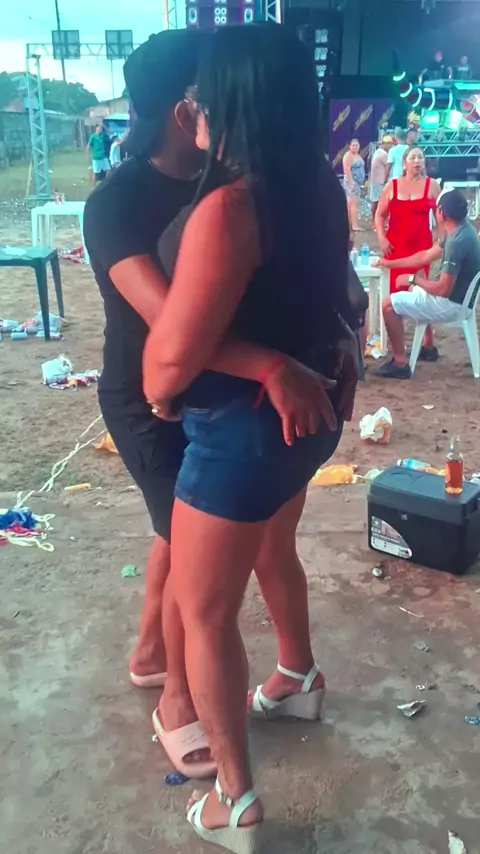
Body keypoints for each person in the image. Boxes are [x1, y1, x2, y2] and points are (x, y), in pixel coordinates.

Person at [84, 29, 355, 784]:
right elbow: (168, 322)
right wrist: (277, 363)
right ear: (178, 109)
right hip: (220, 404)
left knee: (209, 587)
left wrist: (331, 340)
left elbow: (176, 350)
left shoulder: (236, 193)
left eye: (208, 91)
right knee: (192, 548)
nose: (198, 106)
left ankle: (224, 741)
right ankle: (186, 687)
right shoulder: (124, 201)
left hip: (235, 415)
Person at [376, 189, 480, 378]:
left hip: (452, 305)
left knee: (388, 305)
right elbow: (425, 256)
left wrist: (413, 279)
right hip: (462, 301)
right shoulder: (464, 230)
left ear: (441, 213)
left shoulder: (456, 243)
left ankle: (400, 362)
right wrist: (390, 264)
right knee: (412, 289)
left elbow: (443, 289)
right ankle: (428, 347)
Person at [369, 135, 393, 226]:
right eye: (390, 144)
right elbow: (389, 167)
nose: (390, 146)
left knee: (376, 201)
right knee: (377, 202)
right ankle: (375, 221)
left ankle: (375, 221)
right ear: (385, 144)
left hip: (376, 181)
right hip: (380, 182)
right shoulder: (383, 154)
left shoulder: (378, 152)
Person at [342, 138, 365, 231]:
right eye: (353, 145)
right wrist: (352, 183)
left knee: (351, 204)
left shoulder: (357, 155)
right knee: (353, 204)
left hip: (357, 183)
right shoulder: (348, 156)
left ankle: (347, 223)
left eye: (357, 145)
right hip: (351, 182)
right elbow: (347, 170)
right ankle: (354, 225)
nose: (355, 147)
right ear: (349, 146)